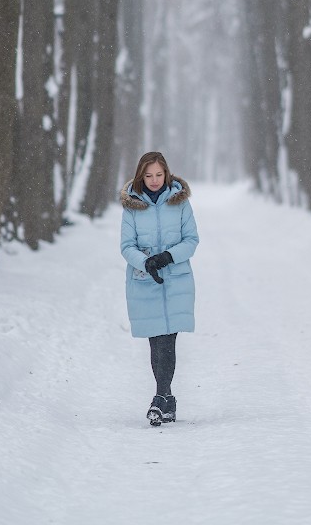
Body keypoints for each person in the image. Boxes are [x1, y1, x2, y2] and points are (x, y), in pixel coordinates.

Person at [120, 151, 199, 426]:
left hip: (175, 278)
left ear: (167, 174)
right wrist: (146, 261)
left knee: (168, 340)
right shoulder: (132, 206)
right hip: (145, 280)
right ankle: (167, 400)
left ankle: (160, 397)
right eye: (148, 175)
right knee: (156, 340)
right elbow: (126, 246)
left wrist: (167, 257)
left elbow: (191, 240)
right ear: (141, 176)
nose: (154, 180)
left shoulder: (180, 204)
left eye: (159, 174)